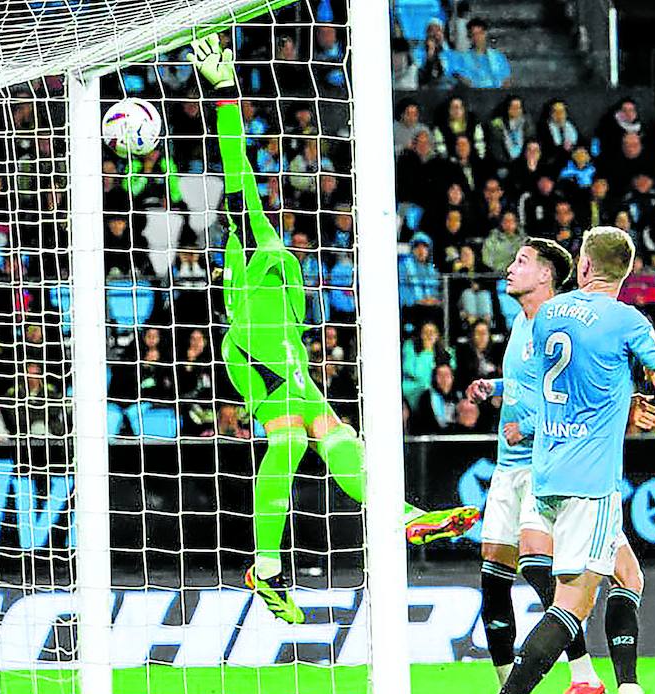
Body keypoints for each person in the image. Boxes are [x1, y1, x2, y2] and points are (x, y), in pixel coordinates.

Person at [187, 35, 479, 625]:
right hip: (253, 349)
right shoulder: (252, 240)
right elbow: (235, 166)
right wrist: (223, 92)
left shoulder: (288, 261)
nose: (282, 211)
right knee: (292, 438)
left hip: (286, 351)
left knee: (339, 438)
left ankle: (401, 518)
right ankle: (264, 564)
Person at [476, 227, 655, 694]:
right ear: (625, 272)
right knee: (573, 602)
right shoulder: (625, 320)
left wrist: (622, 396)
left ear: (585, 264)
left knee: (627, 576)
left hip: (546, 471)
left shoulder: (549, 314)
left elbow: (565, 383)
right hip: (590, 481)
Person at [455, 18, 512, 88]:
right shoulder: (463, 59)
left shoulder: (499, 57)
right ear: (470, 37)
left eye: (480, 33)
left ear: (485, 33)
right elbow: (466, 82)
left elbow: (506, 81)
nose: (477, 37)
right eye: (474, 34)